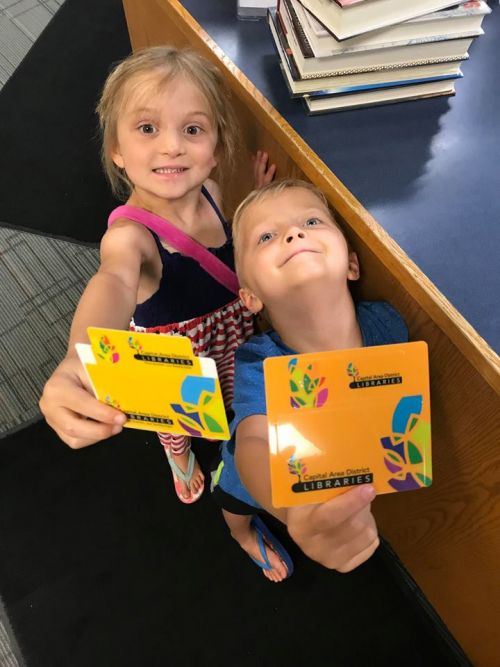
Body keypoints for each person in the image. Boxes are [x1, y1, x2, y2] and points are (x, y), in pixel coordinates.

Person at [39, 46, 275, 503]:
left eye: (192, 129)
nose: (172, 145)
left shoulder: (211, 188)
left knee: (230, 390)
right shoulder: (130, 237)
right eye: (147, 128)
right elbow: (113, 281)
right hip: (171, 358)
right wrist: (80, 355)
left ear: (216, 148)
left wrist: (260, 201)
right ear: (118, 151)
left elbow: (231, 237)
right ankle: (179, 456)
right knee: (176, 419)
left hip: (226, 333)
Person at [211, 178, 409, 582]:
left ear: (352, 263)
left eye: (312, 221)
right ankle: (243, 536)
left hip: (344, 465)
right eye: (267, 236)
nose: (294, 233)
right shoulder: (260, 363)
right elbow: (253, 440)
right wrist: (290, 510)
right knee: (234, 506)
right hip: (255, 482)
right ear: (250, 297)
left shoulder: (389, 327)